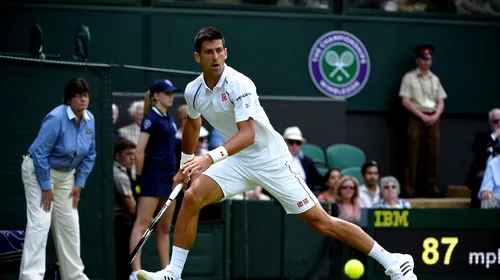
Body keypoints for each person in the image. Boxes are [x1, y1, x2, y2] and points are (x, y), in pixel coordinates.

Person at [137, 26, 417, 280]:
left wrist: (208, 158)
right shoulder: (193, 91)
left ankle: (393, 261)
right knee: (193, 196)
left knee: (322, 223)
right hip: (237, 161)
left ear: (226, 52)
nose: (216, 57)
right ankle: (173, 273)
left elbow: (248, 135)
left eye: (220, 50)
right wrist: (186, 165)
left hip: (271, 160)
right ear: (197, 57)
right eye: (209, 52)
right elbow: (193, 124)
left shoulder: (240, 84)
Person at [19, 78, 96, 280]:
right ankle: (30, 277)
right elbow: (40, 153)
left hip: (66, 178)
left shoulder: (90, 120)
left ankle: (75, 277)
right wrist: (45, 187)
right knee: (40, 223)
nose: (83, 99)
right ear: (69, 99)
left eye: (86, 95)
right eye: (78, 95)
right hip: (38, 172)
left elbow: (90, 154)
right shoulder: (56, 118)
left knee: (70, 226)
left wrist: (80, 183)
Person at [129, 79, 180, 280]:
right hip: (152, 177)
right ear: (156, 96)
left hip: (170, 179)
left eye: (171, 93)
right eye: (166, 93)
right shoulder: (151, 118)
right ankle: (135, 272)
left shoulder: (170, 118)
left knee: (164, 227)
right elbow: (139, 152)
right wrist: (140, 178)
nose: (170, 96)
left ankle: (167, 273)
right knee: (142, 224)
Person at [399, 44, 447, 198]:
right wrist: (422, 116)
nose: (427, 62)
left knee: (433, 155)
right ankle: (409, 190)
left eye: (429, 59)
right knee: (412, 155)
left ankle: (432, 188)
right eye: (424, 59)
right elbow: (405, 100)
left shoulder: (435, 79)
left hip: (433, 118)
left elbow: (441, 101)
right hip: (416, 118)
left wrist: (435, 116)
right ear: (418, 60)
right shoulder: (409, 77)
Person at [113, 139, 137, 280]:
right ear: (117, 156)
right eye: (128, 154)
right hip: (120, 224)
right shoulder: (119, 175)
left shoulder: (127, 172)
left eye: (134, 154)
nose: (132, 157)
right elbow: (132, 206)